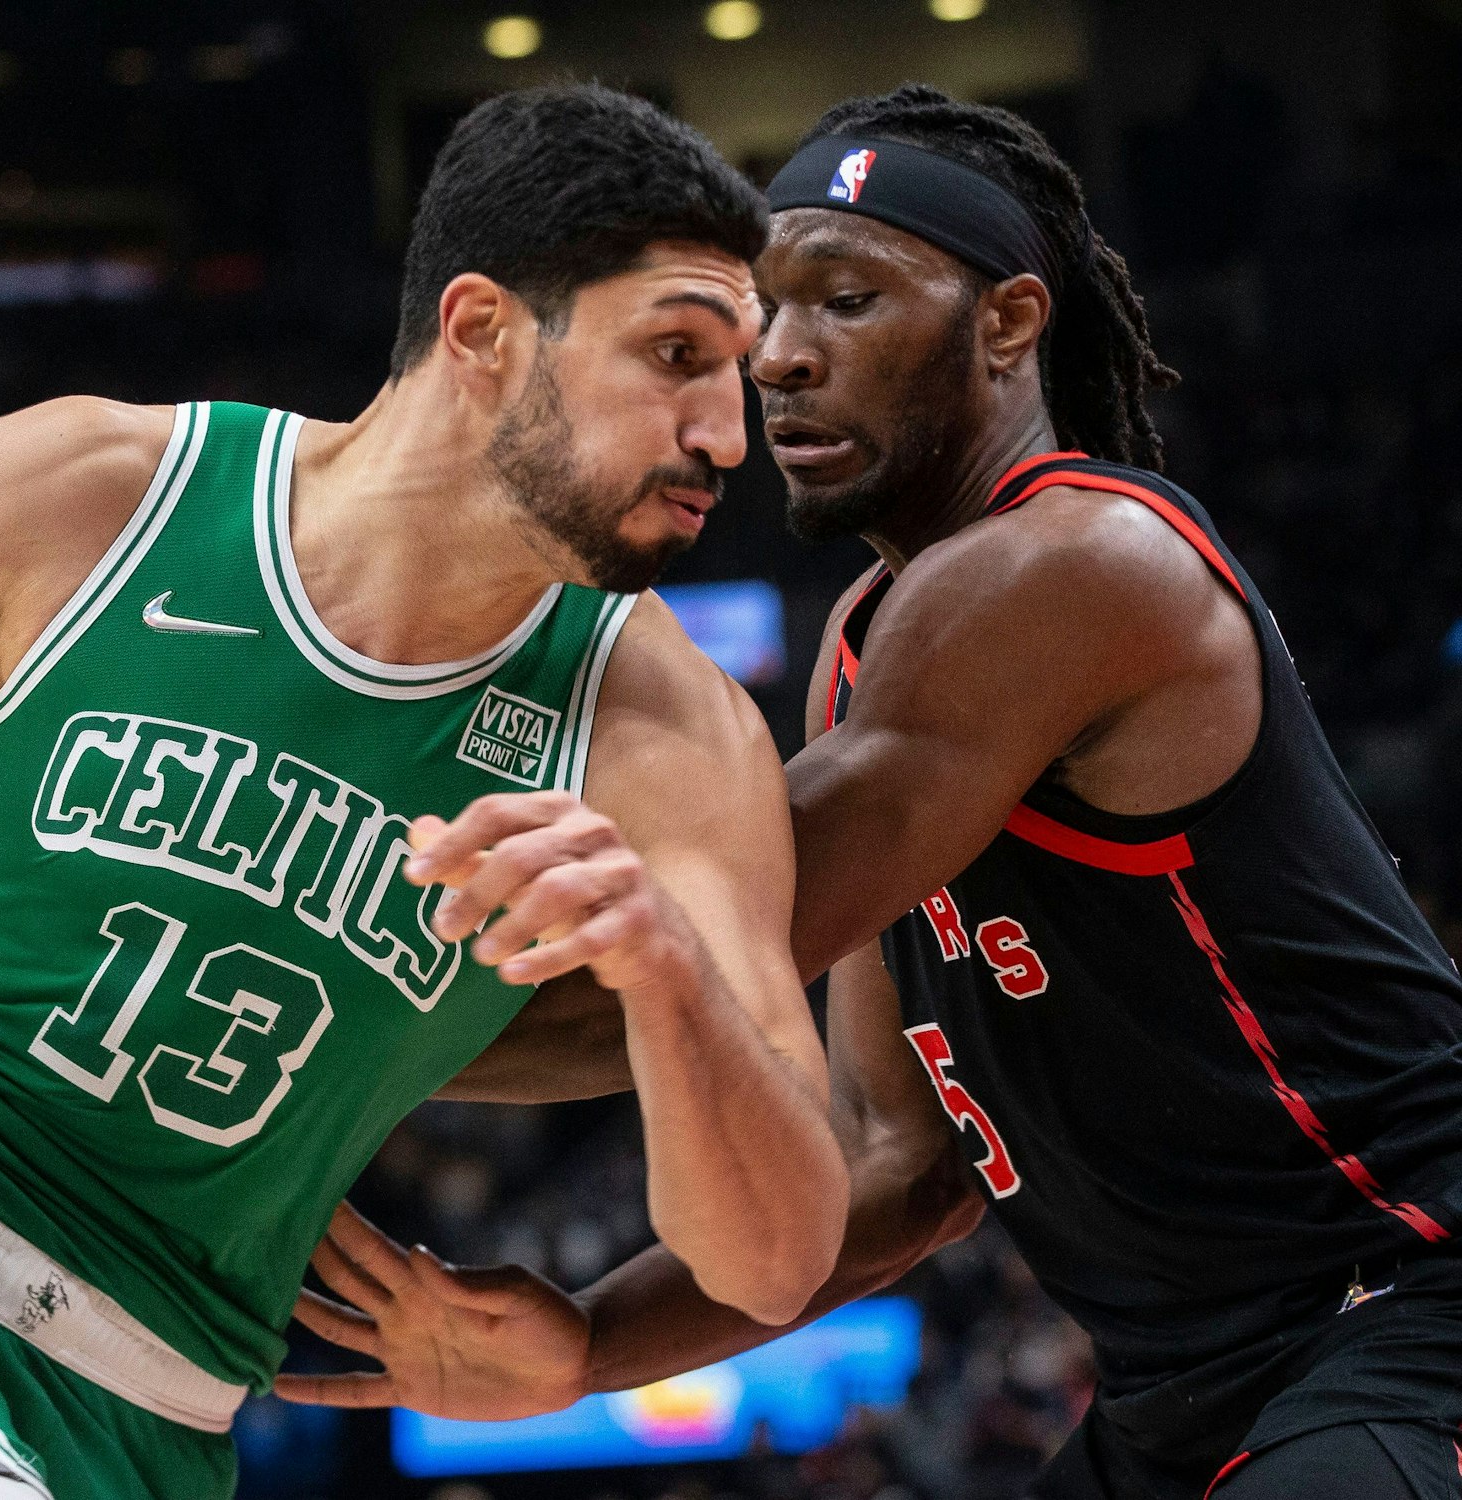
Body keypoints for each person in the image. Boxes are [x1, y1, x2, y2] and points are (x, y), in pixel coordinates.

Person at [0, 86, 848, 1498]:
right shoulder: (98, 493)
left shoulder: (666, 734)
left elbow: (778, 1255)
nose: (727, 436)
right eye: (677, 353)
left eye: (738, 377)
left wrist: (666, 974)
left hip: (154, 1416)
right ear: (483, 331)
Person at [276, 85, 1462, 1500]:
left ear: (1010, 324)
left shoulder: (1071, 566)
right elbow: (899, 1168)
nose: (776, 359)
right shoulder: (863, 649)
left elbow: (695, 973)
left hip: (1403, 1301)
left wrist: (284, 999)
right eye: (762, 314)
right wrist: (590, 1344)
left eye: (846, 301)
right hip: (1188, 1386)